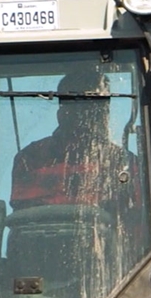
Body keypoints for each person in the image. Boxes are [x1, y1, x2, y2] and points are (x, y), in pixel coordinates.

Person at [10, 69, 142, 211]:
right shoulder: (32, 158)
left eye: (99, 109)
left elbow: (135, 224)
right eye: (78, 107)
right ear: (61, 112)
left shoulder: (126, 165)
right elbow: (25, 220)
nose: (89, 117)